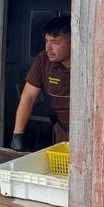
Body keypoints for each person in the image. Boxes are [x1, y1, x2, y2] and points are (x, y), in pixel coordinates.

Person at [11, 16, 71, 152]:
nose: (48, 48)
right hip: (61, 128)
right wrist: (17, 135)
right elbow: (28, 97)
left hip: (90, 128)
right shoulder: (43, 60)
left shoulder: (90, 61)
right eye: (46, 41)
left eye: (54, 42)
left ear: (72, 42)